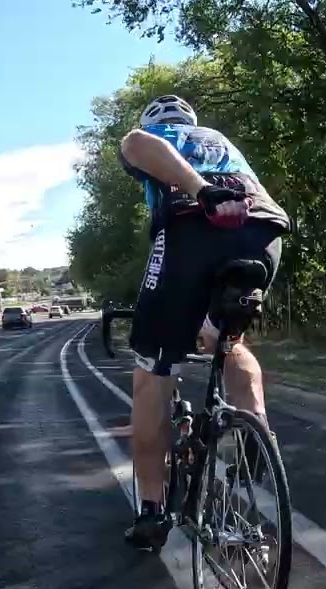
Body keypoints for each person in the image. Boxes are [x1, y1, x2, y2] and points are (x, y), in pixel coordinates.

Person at [117, 94, 291, 551]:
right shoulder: (221, 141)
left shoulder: (161, 137)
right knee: (229, 342)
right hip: (264, 232)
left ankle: (151, 509)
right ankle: (255, 433)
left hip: (195, 228)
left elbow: (136, 144)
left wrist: (201, 191)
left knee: (152, 372)